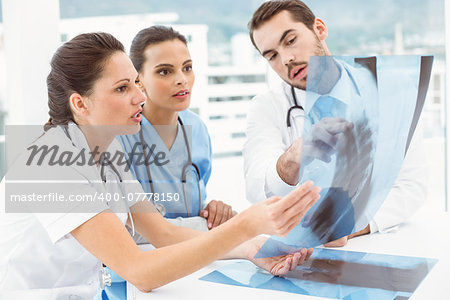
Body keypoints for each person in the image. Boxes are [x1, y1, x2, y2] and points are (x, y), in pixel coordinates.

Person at [0, 32, 321, 299]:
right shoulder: (46, 164)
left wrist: (251, 246)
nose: (140, 96)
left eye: (136, 83)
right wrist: (245, 225)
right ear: (80, 103)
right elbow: (139, 271)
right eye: (122, 88)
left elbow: (163, 232)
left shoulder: (106, 152)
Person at [244, 0, 428, 246]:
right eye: (272, 56)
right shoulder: (267, 106)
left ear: (319, 29)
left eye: (290, 41)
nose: (286, 59)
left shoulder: (389, 93)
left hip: (377, 244)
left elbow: (411, 186)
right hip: (300, 253)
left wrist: (348, 227)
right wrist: (294, 157)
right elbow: (258, 190)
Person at [119, 26, 234, 232]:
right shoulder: (120, 136)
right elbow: (124, 226)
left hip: (198, 257)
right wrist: (202, 227)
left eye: (187, 68)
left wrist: (214, 214)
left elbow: (194, 204)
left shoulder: (197, 129)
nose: (182, 79)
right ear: (139, 81)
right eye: (165, 71)